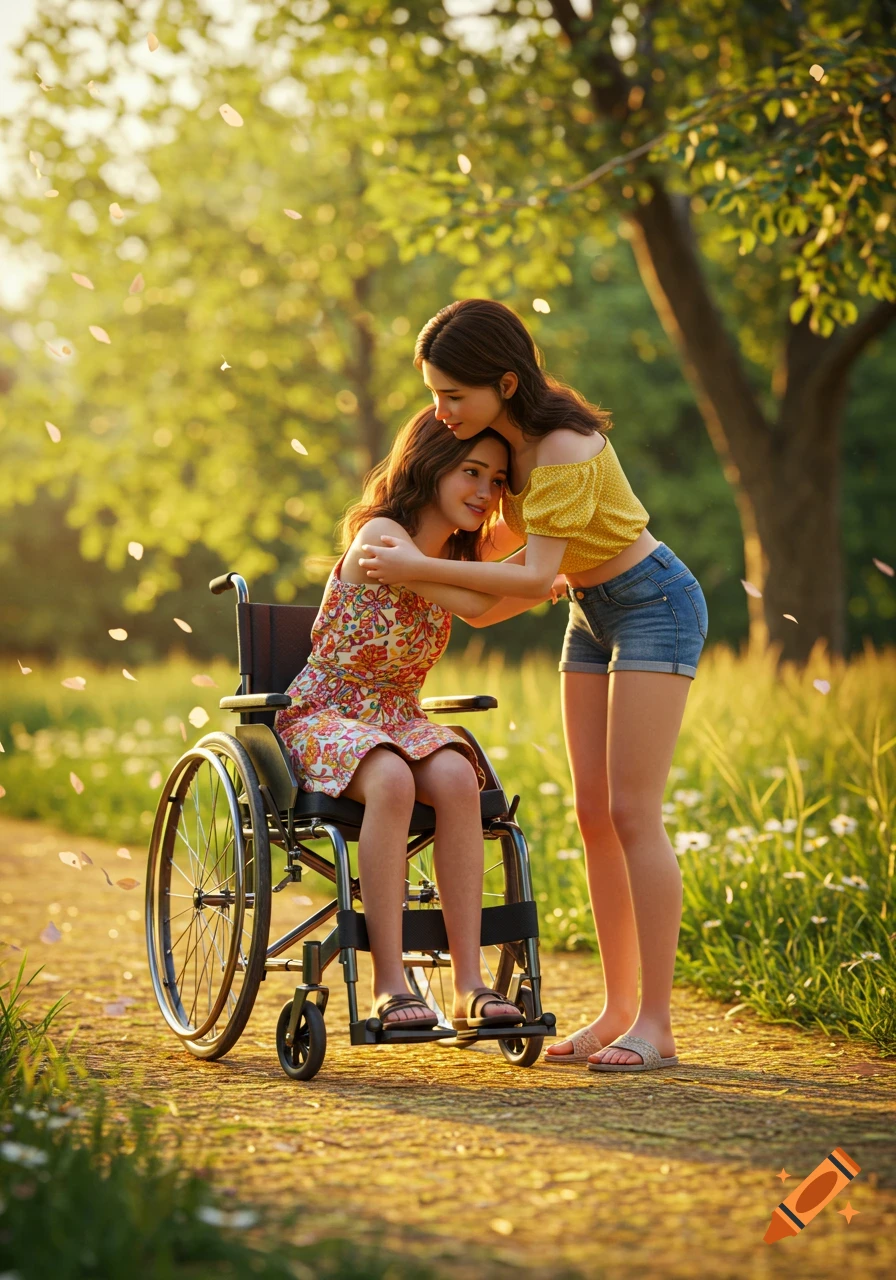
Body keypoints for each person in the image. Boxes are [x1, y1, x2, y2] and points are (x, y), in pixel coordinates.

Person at [359, 299, 709, 1072]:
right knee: (592, 815)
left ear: (505, 382)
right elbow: (494, 600)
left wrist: (414, 569)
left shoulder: (563, 445)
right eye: (434, 394)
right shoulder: (505, 455)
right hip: (592, 612)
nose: (440, 410)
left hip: (654, 603)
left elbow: (538, 571)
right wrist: (401, 553)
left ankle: (656, 1023)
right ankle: (617, 1009)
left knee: (630, 811)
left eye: (453, 394)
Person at [275, 406, 523, 1032]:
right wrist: (519, 574)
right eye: (471, 471)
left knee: (459, 778)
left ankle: (468, 984)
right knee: (391, 779)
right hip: (327, 713)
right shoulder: (382, 535)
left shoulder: (450, 551)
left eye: (497, 480)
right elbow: (477, 601)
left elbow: (499, 575)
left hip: (398, 716)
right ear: (430, 464)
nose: (485, 492)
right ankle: (391, 982)